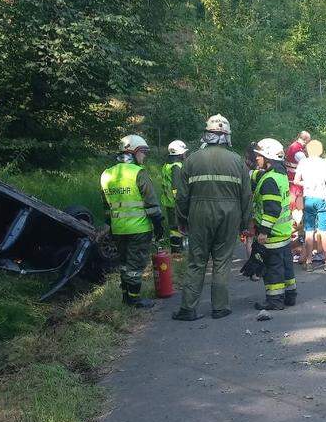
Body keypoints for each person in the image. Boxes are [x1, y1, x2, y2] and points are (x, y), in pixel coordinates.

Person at [172, 115, 251, 322]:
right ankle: (220, 308)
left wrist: (181, 220)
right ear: (227, 136)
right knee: (222, 261)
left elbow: (181, 196)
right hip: (230, 214)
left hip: (198, 214)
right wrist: (245, 224)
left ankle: (188, 309)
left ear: (207, 134)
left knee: (196, 262)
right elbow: (246, 196)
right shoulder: (238, 162)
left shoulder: (191, 160)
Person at [100, 134, 164, 308]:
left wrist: (111, 226)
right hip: (139, 228)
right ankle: (134, 299)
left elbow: (107, 207)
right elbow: (151, 205)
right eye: (143, 152)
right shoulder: (139, 173)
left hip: (118, 229)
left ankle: (125, 296)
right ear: (134, 152)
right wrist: (158, 225)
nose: (144, 156)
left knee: (124, 263)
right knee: (136, 265)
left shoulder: (106, 174)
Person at [249, 138, 297, 310]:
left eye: (259, 156)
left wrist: (263, 232)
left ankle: (275, 301)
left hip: (272, 234)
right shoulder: (280, 174)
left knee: (273, 269)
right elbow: (258, 175)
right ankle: (290, 296)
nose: (256, 159)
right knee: (286, 267)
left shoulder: (269, 180)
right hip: (283, 233)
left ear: (268, 157)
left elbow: (272, 210)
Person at [295, 139, 326, 270]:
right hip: (323, 198)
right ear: (320, 150)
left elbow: (296, 180)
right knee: (324, 231)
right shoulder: (325, 162)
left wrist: (307, 183)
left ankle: (309, 261)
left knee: (309, 231)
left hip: (309, 198)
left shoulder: (303, 162)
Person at [162, 139, 188, 252]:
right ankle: (178, 250)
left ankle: (175, 249)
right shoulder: (176, 167)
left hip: (169, 202)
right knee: (179, 227)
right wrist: (181, 202)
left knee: (174, 228)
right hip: (175, 203)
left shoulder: (167, 165)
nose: (185, 155)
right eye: (184, 153)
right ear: (181, 153)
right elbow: (176, 187)